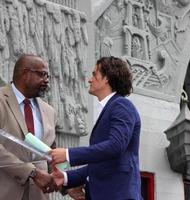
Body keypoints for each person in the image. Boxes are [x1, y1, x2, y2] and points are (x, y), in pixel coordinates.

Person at [49, 56, 143, 200]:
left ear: (106, 78)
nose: (90, 79)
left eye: (94, 74)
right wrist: (66, 177)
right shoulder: (112, 107)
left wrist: (68, 155)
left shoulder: (122, 105)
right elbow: (101, 164)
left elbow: (115, 146)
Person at [0, 54, 57, 199]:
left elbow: (52, 154)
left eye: (48, 76)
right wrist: (32, 173)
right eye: (42, 75)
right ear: (25, 73)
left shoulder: (49, 111)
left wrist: (67, 183)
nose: (47, 81)